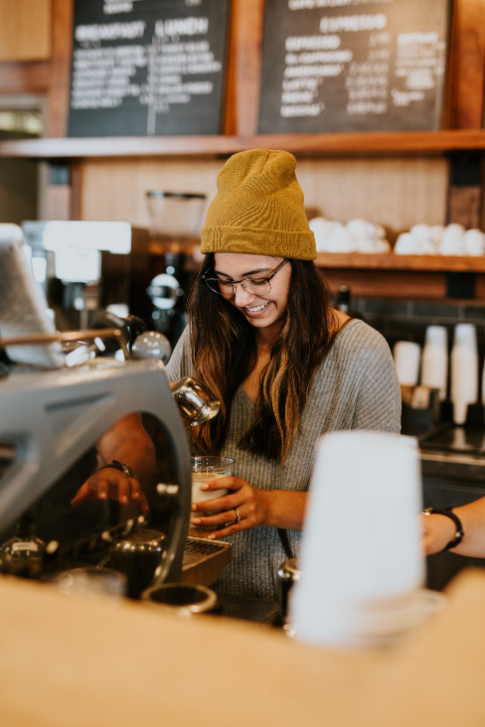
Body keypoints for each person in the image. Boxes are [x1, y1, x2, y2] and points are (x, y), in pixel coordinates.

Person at [164, 148, 401, 601]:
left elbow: (378, 504)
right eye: (226, 279)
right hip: (197, 587)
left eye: (259, 277)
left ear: (298, 265)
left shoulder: (360, 352)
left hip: (304, 598)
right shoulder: (202, 337)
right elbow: (161, 436)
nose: (241, 296)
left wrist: (267, 504)